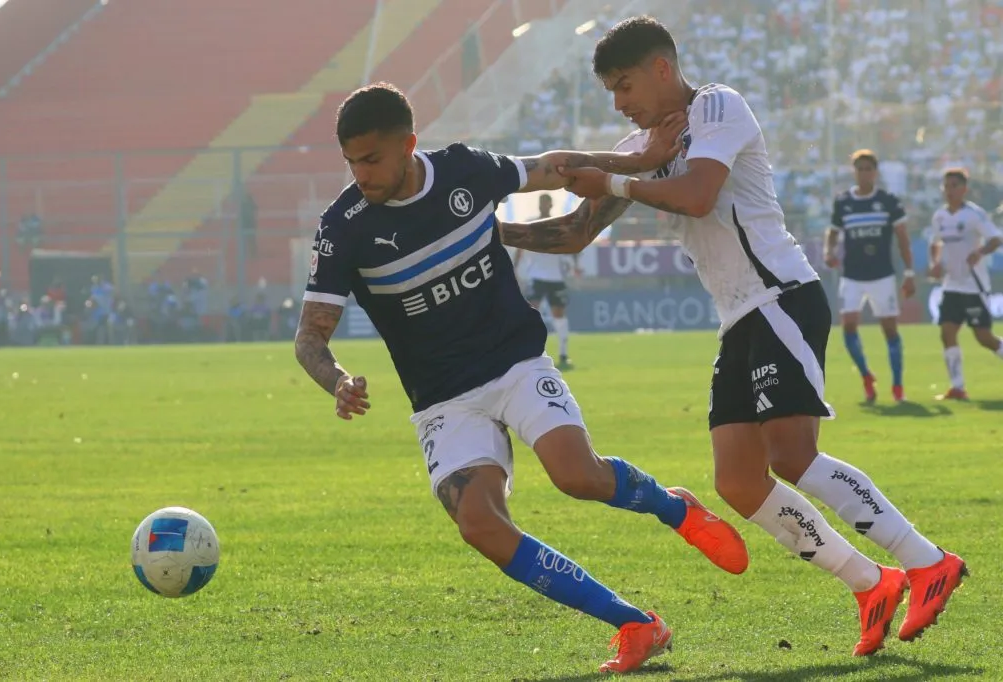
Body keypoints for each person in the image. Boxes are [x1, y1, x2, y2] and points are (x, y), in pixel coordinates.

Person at [500, 17, 967, 657]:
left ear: (662, 68)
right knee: (740, 481)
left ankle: (928, 560)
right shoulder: (640, 146)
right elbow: (575, 233)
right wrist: (490, 234)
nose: (619, 103)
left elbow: (697, 195)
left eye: (624, 85)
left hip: (781, 297)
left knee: (792, 454)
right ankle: (871, 583)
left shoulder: (718, 106)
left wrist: (617, 176)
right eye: (611, 91)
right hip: (740, 318)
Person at [294, 82, 748, 674]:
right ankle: (635, 624)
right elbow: (310, 337)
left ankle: (674, 507)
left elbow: (554, 167)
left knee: (578, 476)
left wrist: (639, 161)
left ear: (408, 144)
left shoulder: (463, 170)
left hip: (514, 362)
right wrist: (336, 380)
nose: (361, 175)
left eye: (371, 159)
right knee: (479, 525)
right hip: (442, 399)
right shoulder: (342, 227)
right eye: (351, 162)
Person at [824, 150, 915, 402]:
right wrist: (828, 251)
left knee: (890, 330)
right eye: (859, 169)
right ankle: (866, 375)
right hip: (852, 275)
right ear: (854, 172)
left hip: (882, 275)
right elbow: (832, 231)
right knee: (848, 326)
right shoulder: (843, 202)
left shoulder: (888, 201)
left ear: (875, 172)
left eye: (868, 169)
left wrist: (909, 273)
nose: (864, 173)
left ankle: (897, 385)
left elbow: (903, 239)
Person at [928, 167, 1003, 400]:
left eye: (954, 186)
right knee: (947, 333)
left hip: (973, 285)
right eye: (946, 186)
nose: (949, 190)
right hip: (951, 285)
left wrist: (979, 252)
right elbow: (935, 243)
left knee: (984, 337)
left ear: (964, 189)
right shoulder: (940, 216)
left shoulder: (974, 214)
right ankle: (958, 388)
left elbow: (995, 239)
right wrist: (935, 263)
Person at [513, 193, 580, 369]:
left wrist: (574, 266)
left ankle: (563, 354)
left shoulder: (558, 225)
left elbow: (571, 246)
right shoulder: (531, 224)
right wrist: (515, 269)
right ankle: (528, 352)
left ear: (551, 205)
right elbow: (520, 247)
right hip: (536, 276)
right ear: (539, 204)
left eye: (546, 202)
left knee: (559, 315)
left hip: (556, 277)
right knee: (531, 313)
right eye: (542, 202)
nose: (544, 205)